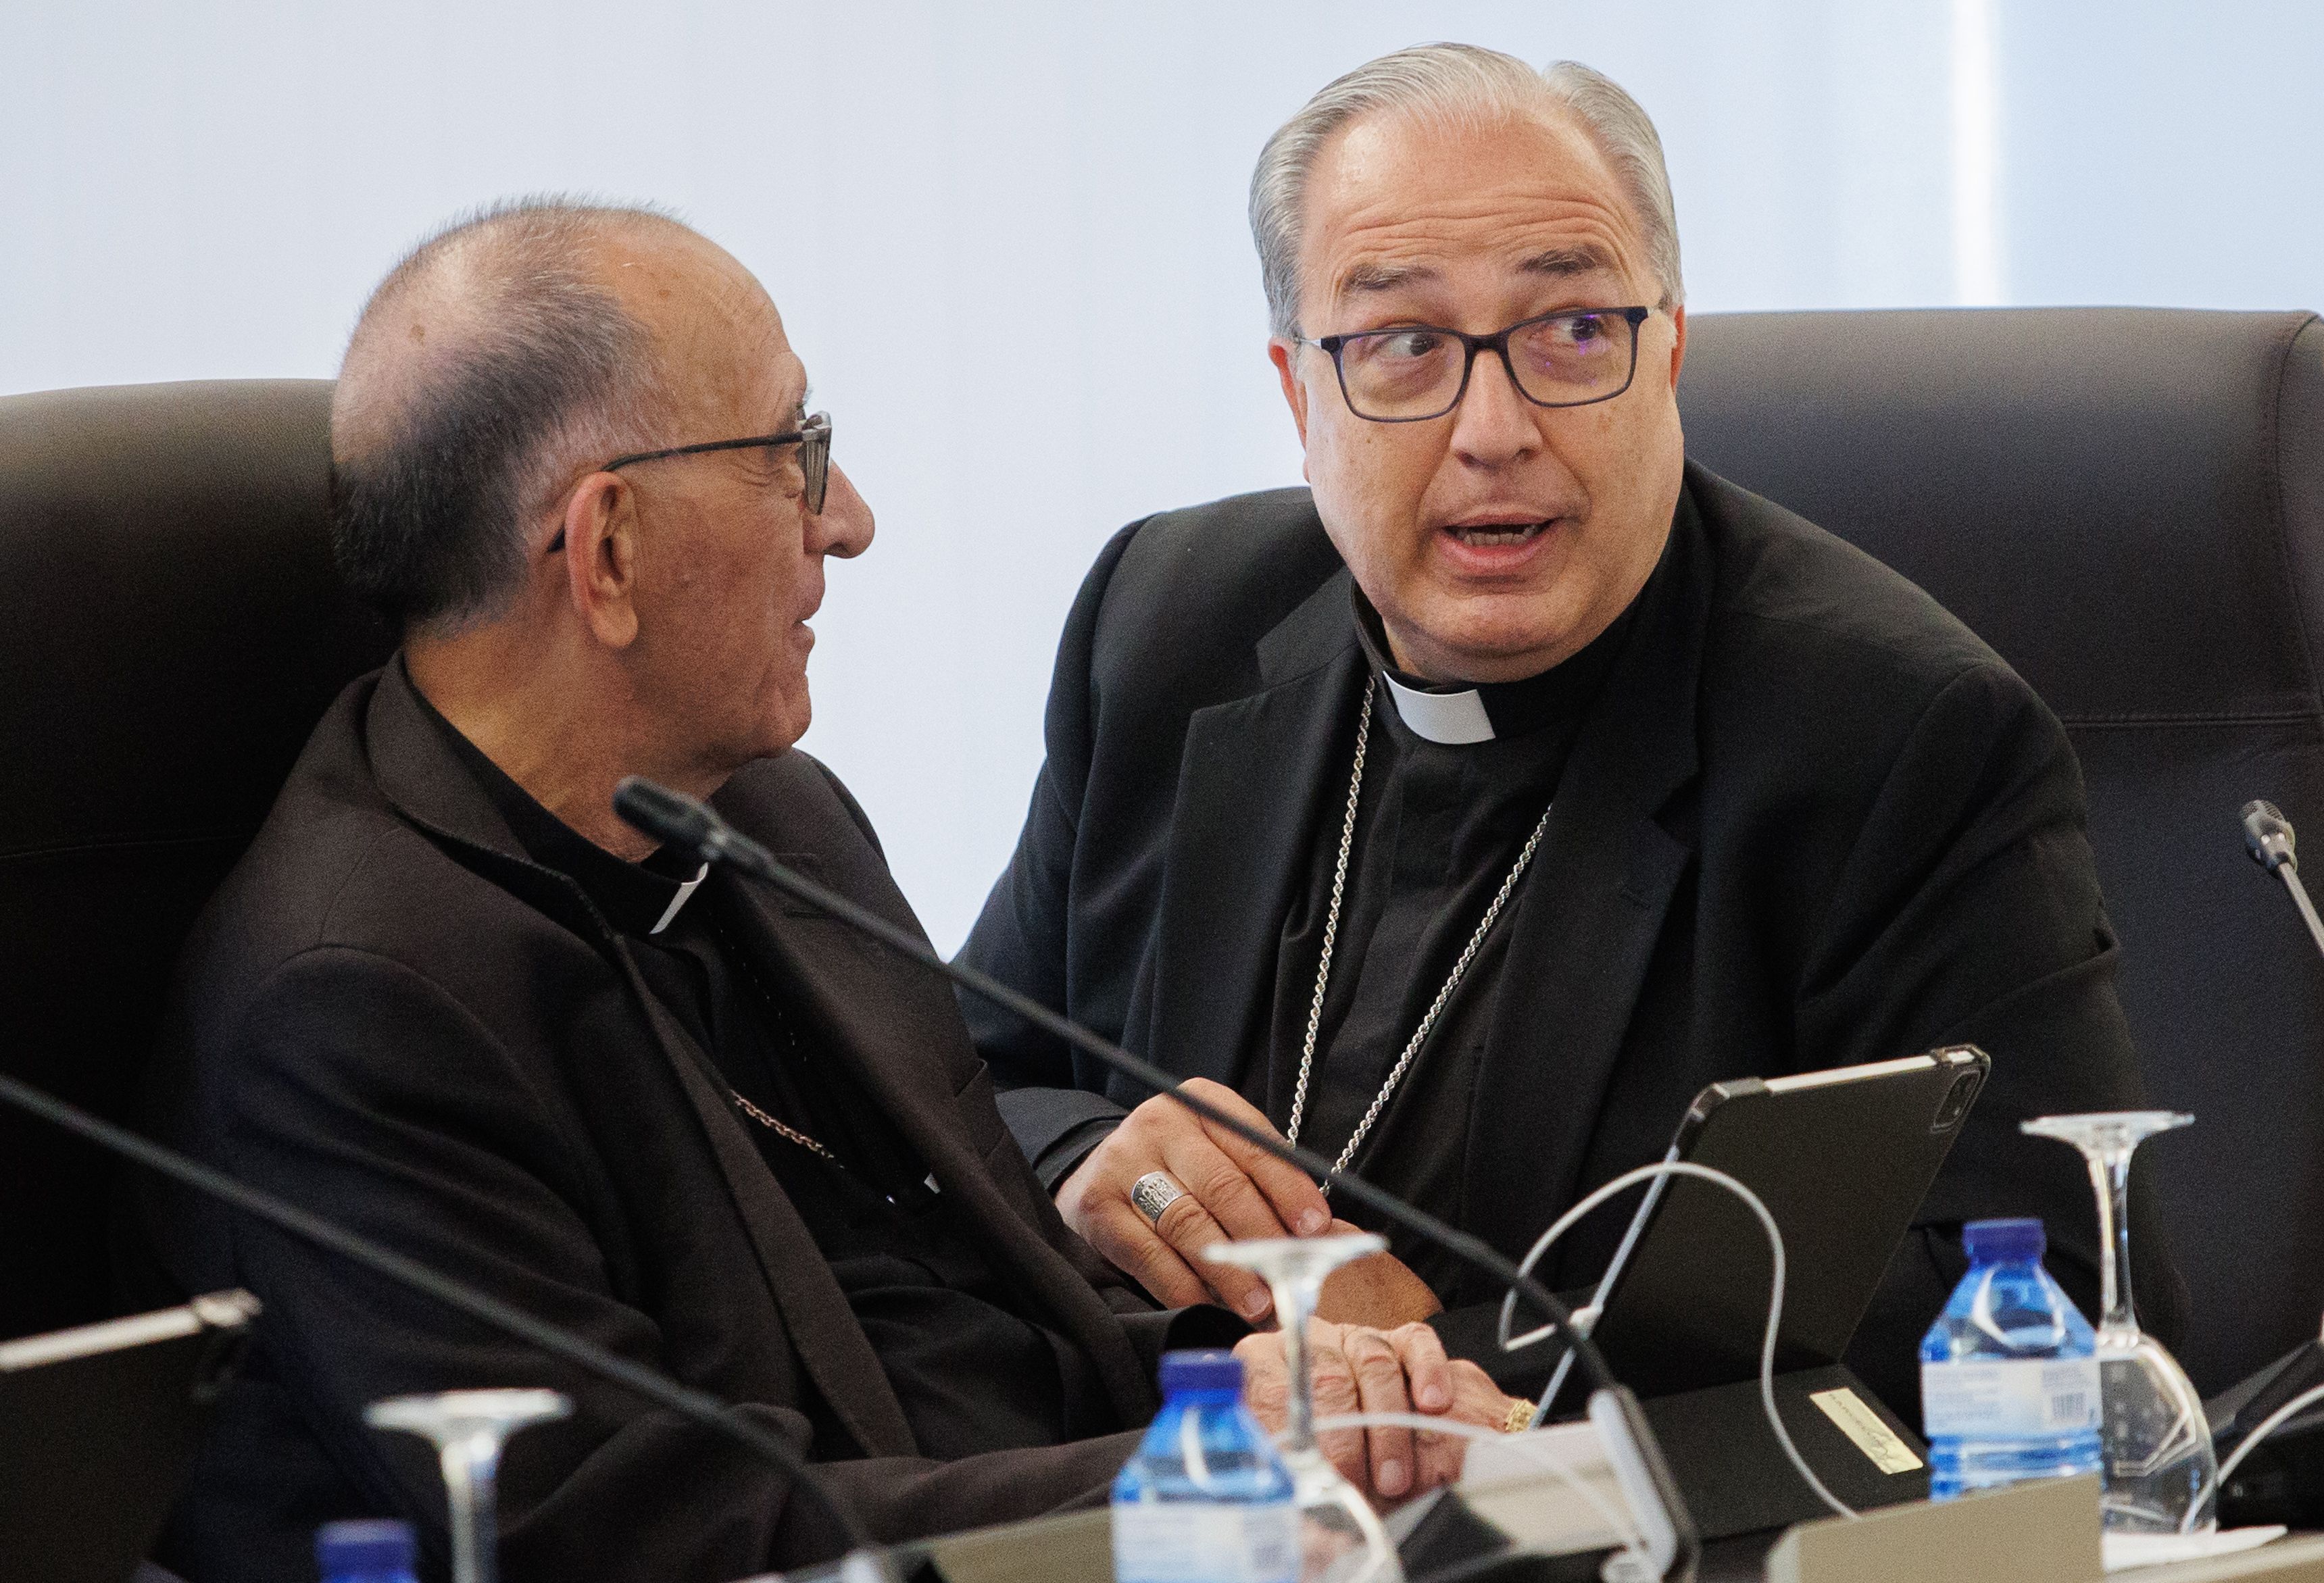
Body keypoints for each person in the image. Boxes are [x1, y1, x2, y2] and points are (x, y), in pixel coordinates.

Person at [137, 199, 1508, 1583]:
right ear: (607, 550)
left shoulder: (773, 822)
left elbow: (988, 1330)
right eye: (791, 454)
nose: (846, 522)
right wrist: (1201, 1465)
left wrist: (1272, 1383)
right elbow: (644, 1536)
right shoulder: (354, 1005)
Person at [960, 44, 2187, 1413]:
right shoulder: (1165, 626)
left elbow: (2046, 1296)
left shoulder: (1895, 738)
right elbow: (943, 1084)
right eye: (1404, 346)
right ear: (1299, 395)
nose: (1493, 430)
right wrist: (1087, 1159)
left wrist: (1465, 1379)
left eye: (1572, 332)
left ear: (1670, 352)